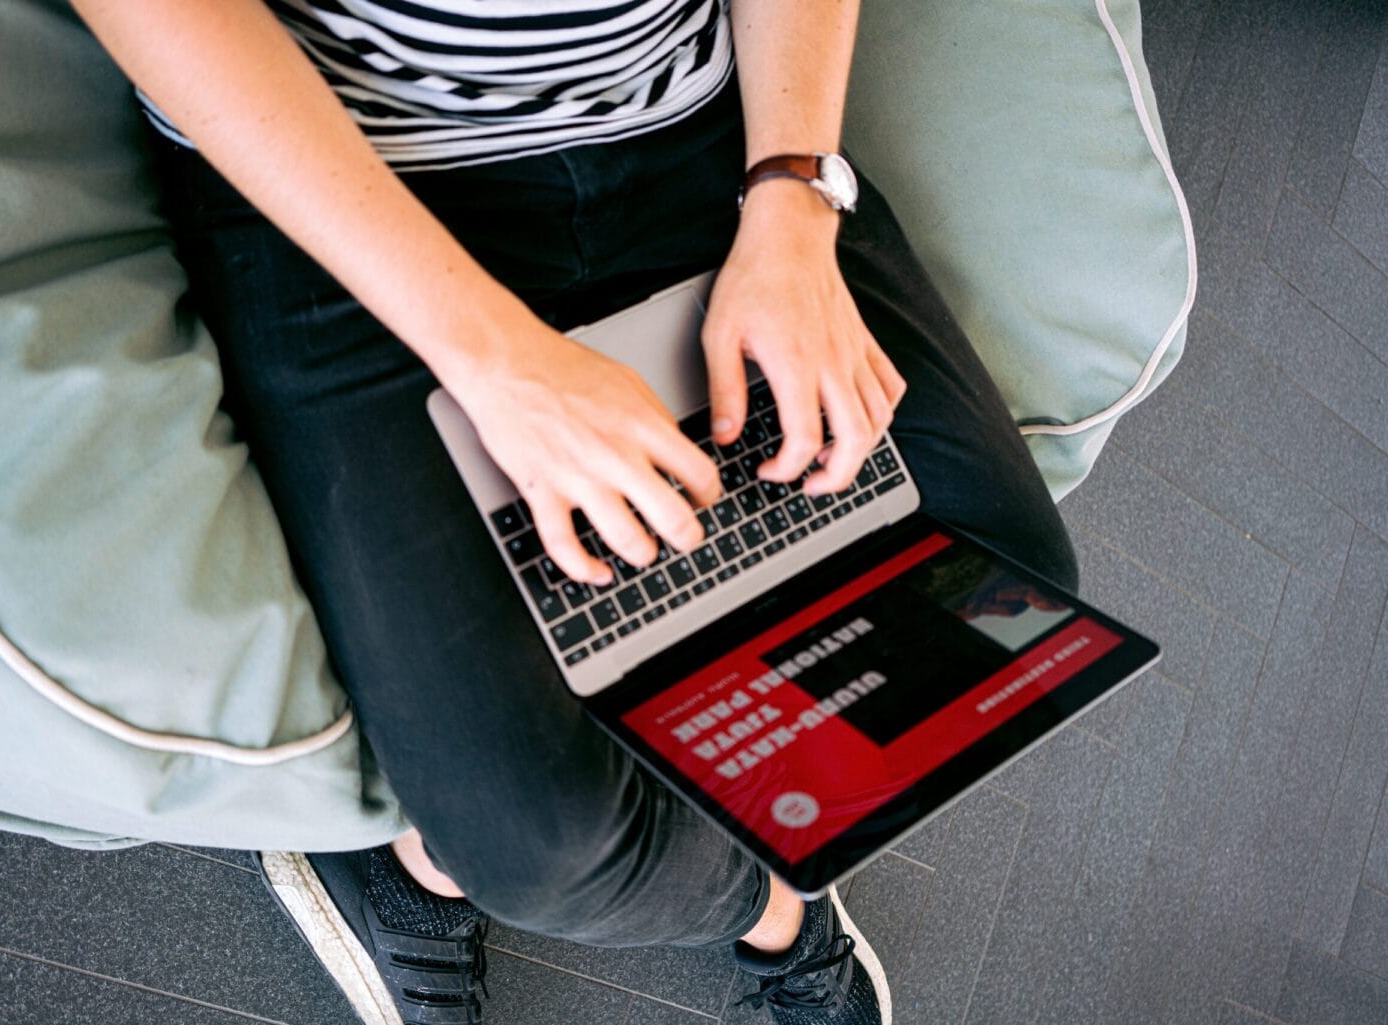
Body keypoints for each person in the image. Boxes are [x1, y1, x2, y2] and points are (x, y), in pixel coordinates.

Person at [70, 1, 1079, 1022]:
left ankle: (559, 846)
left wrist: (793, 196)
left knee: (1003, 598)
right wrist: (494, 359)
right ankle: (732, 895)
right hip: (346, 188)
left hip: (691, 130)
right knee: (550, 842)